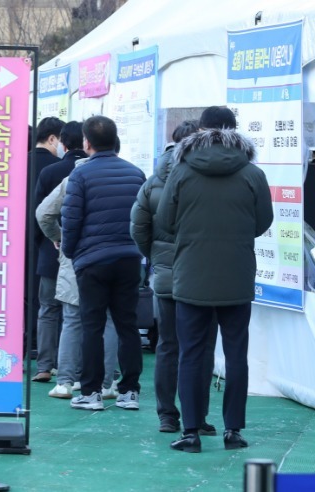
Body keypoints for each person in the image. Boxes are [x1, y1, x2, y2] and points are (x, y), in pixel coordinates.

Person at [157, 106, 273, 453]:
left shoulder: (181, 170)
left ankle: (191, 431)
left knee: (190, 353)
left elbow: (165, 220)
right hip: (237, 274)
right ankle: (233, 431)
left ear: (200, 130)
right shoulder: (253, 173)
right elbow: (263, 222)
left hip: (191, 274)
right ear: (235, 130)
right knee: (236, 354)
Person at [132, 119, 217, 436]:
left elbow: (138, 228)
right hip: (205, 276)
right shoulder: (210, 179)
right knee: (202, 347)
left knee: (168, 346)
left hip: (167, 276)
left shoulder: (154, 182)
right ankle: (199, 416)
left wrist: (157, 258)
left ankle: (167, 415)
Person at [61, 115, 145, 412]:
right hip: (129, 258)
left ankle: (91, 392)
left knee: (92, 326)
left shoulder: (81, 175)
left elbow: (71, 219)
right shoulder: (136, 173)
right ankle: (130, 392)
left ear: (87, 142)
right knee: (127, 325)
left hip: (92, 261)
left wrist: (71, 252)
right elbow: (145, 218)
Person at [36, 143, 120, 401]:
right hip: (115, 256)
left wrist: (58, 238)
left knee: (72, 319)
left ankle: (64, 382)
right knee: (108, 320)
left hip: (77, 256)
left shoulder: (73, 177)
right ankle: (106, 384)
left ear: (87, 145)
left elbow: (43, 213)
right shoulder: (129, 174)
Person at [29, 116, 66, 382]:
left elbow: (39, 213)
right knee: (72, 312)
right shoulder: (63, 169)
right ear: (53, 138)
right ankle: (68, 366)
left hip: (38, 246)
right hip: (65, 248)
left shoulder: (16, 163)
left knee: (46, 308)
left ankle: (43, 364)